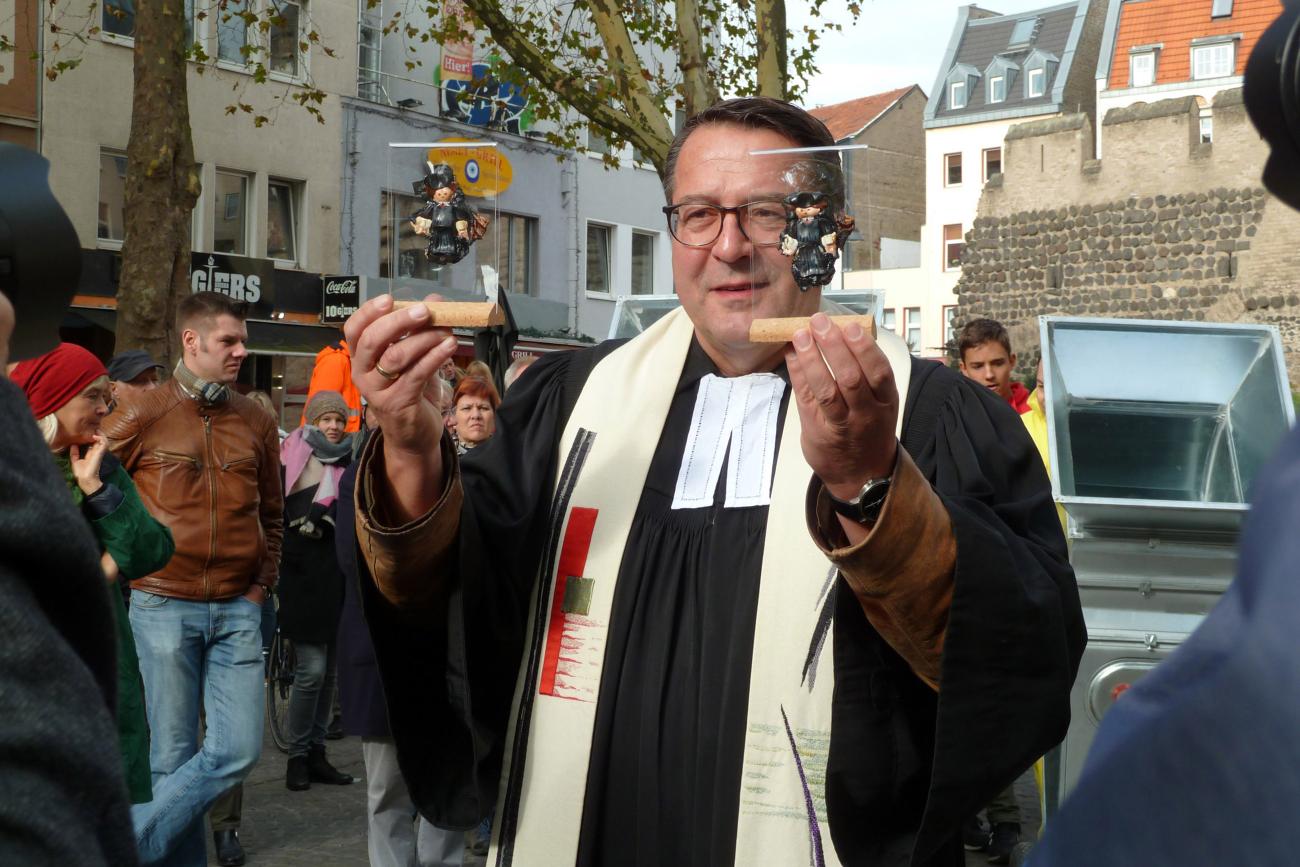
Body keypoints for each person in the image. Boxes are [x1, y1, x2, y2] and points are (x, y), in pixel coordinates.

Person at [345, 97, 1082, 866]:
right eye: (697, 214)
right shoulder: (570, 404)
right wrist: (407, 447)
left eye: (765, 212)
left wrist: (870, 484)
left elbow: (1021, 657)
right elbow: (462, 610)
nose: (728, 247)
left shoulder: (929, 416)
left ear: (824, 231)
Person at [103, 291, 283, 867]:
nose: (240, 351)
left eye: (241, 340)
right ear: (192, 340)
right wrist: (121, 565)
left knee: (236, 751)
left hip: (238, 607)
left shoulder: (256, 417)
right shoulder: (144, 412)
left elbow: (273, 513)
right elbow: (96, 491)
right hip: (160, 604)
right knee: (170, 758)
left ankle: (122, 847)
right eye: (229, 340)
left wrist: (260, 586)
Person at [11, 342, 176, 810]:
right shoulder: (14, 471)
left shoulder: (100, 467)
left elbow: (153, 549)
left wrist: (97, 490)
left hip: (99, 668)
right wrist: (102, 568)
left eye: (107, 396)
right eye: (93, 396)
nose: (105, 408)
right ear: (51, 398)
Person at [335, 412, 467, 867]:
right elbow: (356, 567)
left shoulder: (459, 475)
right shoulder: (361, 477)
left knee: (446, 781)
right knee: (387, 790)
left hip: (447, 658)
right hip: (385, 657)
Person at [279, 390, 357, 791]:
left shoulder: (351, 460)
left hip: (336, 571)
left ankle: (317, 752)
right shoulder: (290, 452)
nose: (332, 426)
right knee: (311, 670)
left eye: (338, 420)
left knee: (329, 675)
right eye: (325, 419)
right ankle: (297, 756)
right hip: (299, 570)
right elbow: (276, 506)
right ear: (311, 420)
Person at [958, 319, 1030, 415]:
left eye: (998, 363)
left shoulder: (1035, 410)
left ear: (1011, 361)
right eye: (978, 366)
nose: (989, 375)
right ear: (964, 369)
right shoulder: (955, 418)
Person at [302, 332, 362, 432]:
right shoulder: (336, 361)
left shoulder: (347, 361)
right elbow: (320, 410)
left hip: (340, 438)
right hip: (333, 439)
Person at [451, 376, 498, 453]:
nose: (476, 415)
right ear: (453, 416)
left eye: (483, 408)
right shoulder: (442, 457)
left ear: (494, 416)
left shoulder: (511, 456)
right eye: (467, 408)